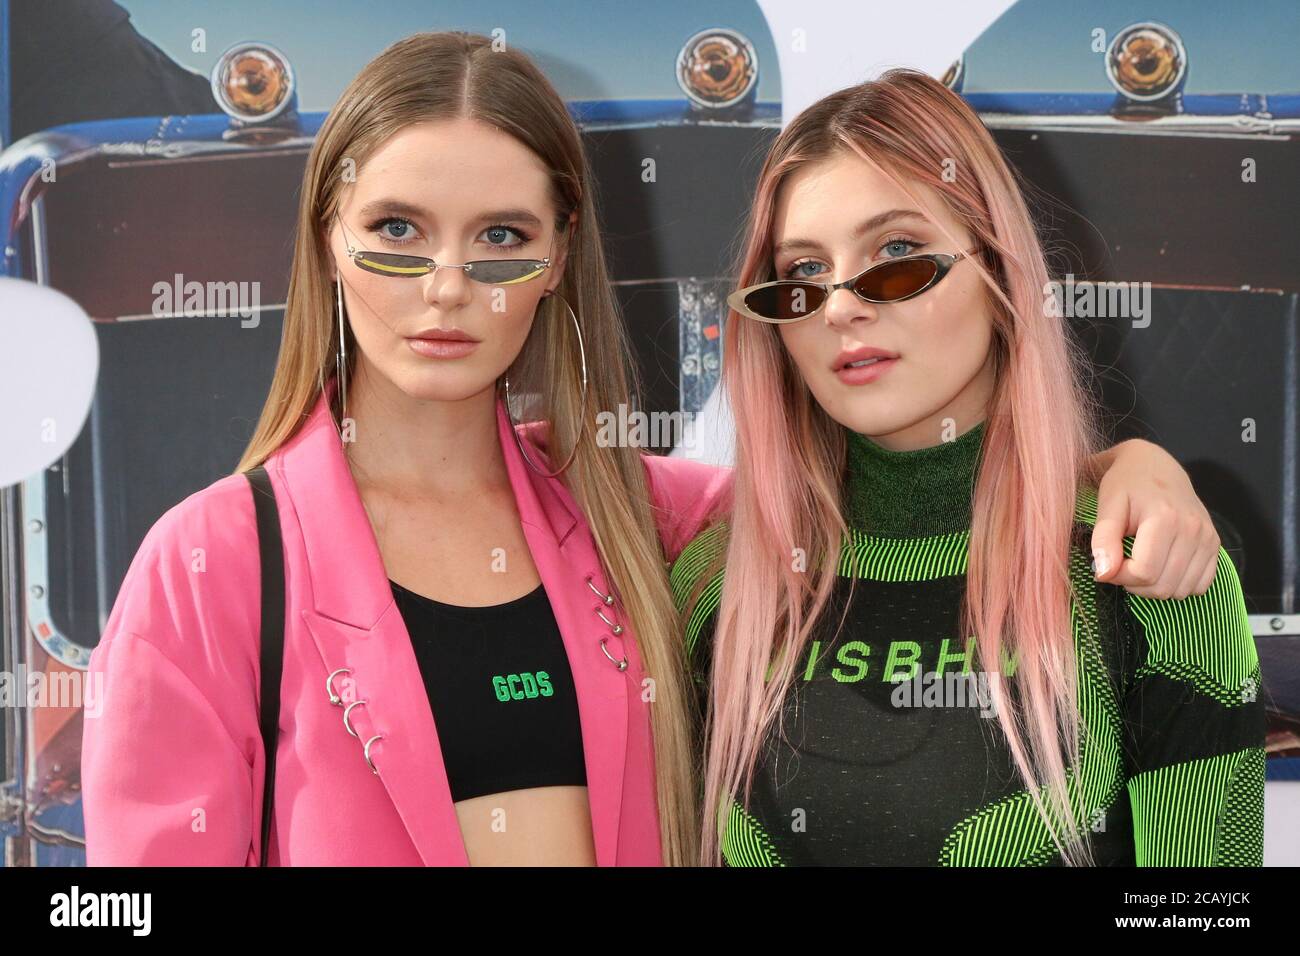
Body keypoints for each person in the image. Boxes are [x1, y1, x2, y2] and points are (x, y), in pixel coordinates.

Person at [82, 35, 1222, 867]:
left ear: (558, 250)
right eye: (394, 231)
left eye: (500, 238)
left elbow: (896, 498)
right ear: (325, 237)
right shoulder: (208, 563)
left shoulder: (643, 521)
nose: (444, 286)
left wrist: (1114, 472)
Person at [671, 69, 1263, 867]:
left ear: (998, 272)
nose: (842, 306)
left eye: (899, 251)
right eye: (805, 272)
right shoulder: (714, 584)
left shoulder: (1146, 573)